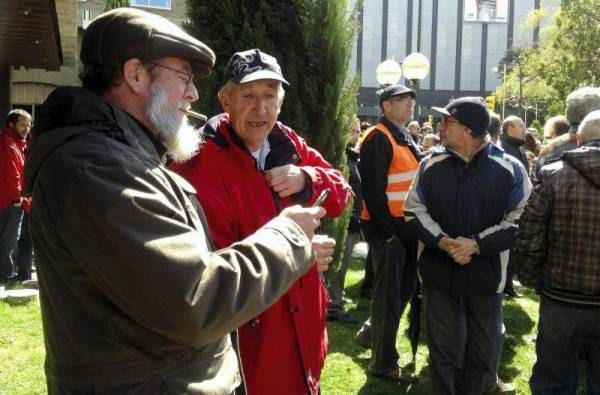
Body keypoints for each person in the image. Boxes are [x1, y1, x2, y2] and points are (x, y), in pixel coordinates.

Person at [22, 9, 333, 394]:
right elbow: (195, 300)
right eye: (184, 77)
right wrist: (290, 237)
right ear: (136, 74)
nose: (193, 93)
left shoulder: (122, 156)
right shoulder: (96, 169)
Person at [171, 48, 349, 395]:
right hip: (251, 343)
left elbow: (341, 192)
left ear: (281, 102)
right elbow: (205, 269)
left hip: (305, 339)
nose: (261, 109)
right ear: (225, 100)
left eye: (269, 96)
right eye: (248, 96)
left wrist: (307, 178)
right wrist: (298, 249)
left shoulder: (288, 143)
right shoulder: (196, 162)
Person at [404, 97, 531, 394]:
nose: (440, 126)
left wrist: (475, 245)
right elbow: (412, 211)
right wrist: (443, 242)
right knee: (442, 352)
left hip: (486, 278)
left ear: (469, 130)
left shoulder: (510, 168)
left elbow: (522, 220)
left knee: (483, 352)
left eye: (447, 121)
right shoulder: (430, 164)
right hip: (438, 273)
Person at [515, 98, 600, 395]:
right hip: (560, 295)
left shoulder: (553, 175)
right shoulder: (554, 175)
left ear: (578, 139)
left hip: (561, 299)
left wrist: (534, 280)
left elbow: (528, 237)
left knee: (553, 382)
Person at [354, 84, 422, 381]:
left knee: (397, 294)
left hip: (403, 229)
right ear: (386, 107)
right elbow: (372, 190)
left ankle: (371, 335)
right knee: (389, 298)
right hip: (390, 230)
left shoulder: (402, 135)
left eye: (410, 98)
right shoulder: (378, 138)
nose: (409, 103)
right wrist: (390, 234)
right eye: (400, 99)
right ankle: (383, 362)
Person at [327, 118, 361, 324]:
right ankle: (334, 305)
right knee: (340, 263)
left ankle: (335, 298)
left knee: (344, 263)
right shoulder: (341, 157)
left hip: (353, 217)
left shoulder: (352, 155)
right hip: (343, 219)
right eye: (352, 130)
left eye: (358, 130)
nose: (356, 134)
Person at [0, 109, 32, 283]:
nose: (26, 129)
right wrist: (18, 199)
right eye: (22, 125)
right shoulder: (8, 144)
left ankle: (14, 276)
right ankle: (6, 278)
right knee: (9, 243)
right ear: (11, 125)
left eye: (28, 125)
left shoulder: (18, 143)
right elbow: (12, 176)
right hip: (11, 202)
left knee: (14, 242)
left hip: (16, 200)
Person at [499, 115, 529, 298]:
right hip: (508, 209)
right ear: (508, 129)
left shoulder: (518, 149)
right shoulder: (506, 150)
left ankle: (508, 284)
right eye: (520, 125)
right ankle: (504, 284)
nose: (524, 129)